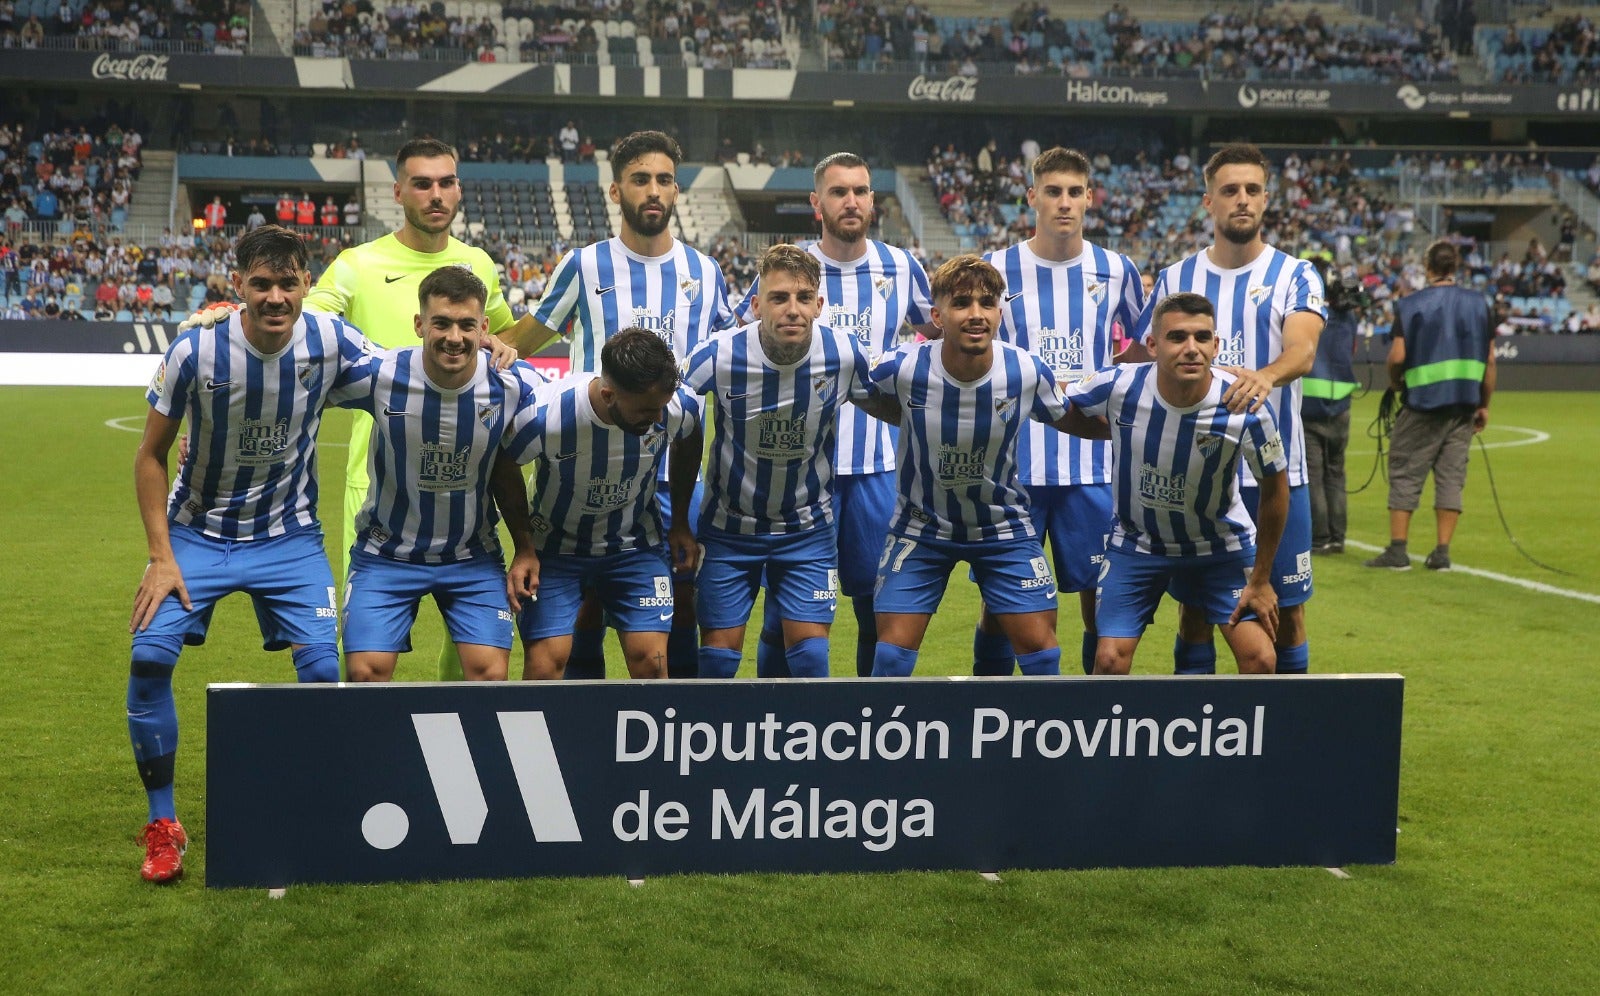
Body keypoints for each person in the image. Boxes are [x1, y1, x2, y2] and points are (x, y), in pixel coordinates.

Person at [181, 138, 535, 680]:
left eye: (446, 182)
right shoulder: (357, 264)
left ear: (459, 188)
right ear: (399, 192)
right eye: (422, 183)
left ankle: (449, 737)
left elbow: (498, 333)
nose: (435, 195)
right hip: (375, 480)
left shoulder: (478, 263)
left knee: (473, 645)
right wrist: (234, 315)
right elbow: (291, 321)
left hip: (467, 465)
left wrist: (504, 346)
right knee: (365, 655)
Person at [126, 225, 375, 883]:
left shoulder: (330, 340)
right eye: (260, 284)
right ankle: (163, 824)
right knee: (149, 659)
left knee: (324, 677)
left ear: (306, 284)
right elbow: (149, 455)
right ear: (237, 284)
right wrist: (160, 555)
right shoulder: (195, 352)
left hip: (289, 539)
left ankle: (307, 808)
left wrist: (495, 351)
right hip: (195, 535)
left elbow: (407, 373)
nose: (274, 297)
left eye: (287, 283)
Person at [511, 130, 733, 680]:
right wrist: (482, 346)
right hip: (589, 457)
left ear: (676, 191)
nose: (652, 191)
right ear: (616, 192)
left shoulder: (704, 273)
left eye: (663, 180)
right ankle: (589, 733)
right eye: (639, 180)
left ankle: (669, 738)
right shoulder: (584, 266)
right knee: (585, 603)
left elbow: (729, 351)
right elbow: (523, 341)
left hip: (673, 462)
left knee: (675, 606)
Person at [736, 152, 935, 679]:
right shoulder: (789, 268)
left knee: (877, 607)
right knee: (783, 616)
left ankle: (866, 730)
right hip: (796, 472)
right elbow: (740, 341)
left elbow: (942, 334)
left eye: (861, 191)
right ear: (816, 203)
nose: (852, 201)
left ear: (873, 200)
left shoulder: (900, 266)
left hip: (875, 469)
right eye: (839, 191)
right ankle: (776, 729)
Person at [1134, 143, 1325, 676]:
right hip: (1196, 479)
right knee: (1194, 613)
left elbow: (1304, 348)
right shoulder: (1176, 278)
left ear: (1266, 199)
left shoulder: (1296, 274)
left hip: (1276, 477)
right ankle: (1200, 744)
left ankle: (1283, 742)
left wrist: (1264, 376)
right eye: (1229, 190)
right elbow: (1142, 357)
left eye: (1253, 190)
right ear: (1208, 203)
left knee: (1286, 613)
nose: (1242, 200)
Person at [862, 255, 1099, 678]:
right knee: (892, 659)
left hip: (1002, 528)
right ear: (937, 316)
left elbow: (1072, 417)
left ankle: (1011, 736)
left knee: (1043, 658)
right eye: (962, 303)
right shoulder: (902, 367)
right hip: (921, 527)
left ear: (1000, 311)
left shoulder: (1025, 370)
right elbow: (850, 387)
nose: (976, 314)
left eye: (987, 303)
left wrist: (1133, 427)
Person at [671, 244, 875, 679]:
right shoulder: (718, 355)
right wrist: (679, 521)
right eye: (780, 298)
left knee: (810, 661)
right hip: (729, 530)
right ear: (757, 304)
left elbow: (902, 404)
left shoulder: (844, 354)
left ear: (820, 305)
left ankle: (797, 746)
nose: (792, 310)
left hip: (807, 531)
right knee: (719, 663)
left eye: (804, 298)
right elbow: (673, 417)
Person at [978, 146, 1145, 676]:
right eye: (1053, 191)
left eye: (1075, 192)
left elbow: (1143, 347)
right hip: (1012, 469)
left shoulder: (1116, 270)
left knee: (1099, 606)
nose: (1064, 203)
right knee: (1002, 606)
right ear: (1032, 198)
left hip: (1093, 469)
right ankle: (992, 723)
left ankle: (1091, 726)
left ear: (1090, 198)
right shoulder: (997, 269)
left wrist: (1103, 385)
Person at [334, 267, 545, 682]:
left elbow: (576, 413)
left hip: (472, 556)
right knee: (365, 673)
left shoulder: (512, 385)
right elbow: (294, 385)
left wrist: (525, 547)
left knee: (489, 675)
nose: (454, 337)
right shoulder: (381, 374)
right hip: (386, 554)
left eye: (467, 325)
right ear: (419, 324)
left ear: (484, 328)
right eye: (441, 323)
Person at [1065, 292, 1287, 674]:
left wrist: (1262, 578)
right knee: (1109, 660)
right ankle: (1109, 733)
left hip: (1221, 546)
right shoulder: (1120, 385)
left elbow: (1275, 489)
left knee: (1261, 659)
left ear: (1217, 345)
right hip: (1138, 544)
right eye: (1177, 337)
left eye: (1202, 338)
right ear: (1152, 344)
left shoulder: (1243, 404)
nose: (1191, 349)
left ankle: (1221, 733)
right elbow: (1054, 397)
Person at [501, 327, 700, 680]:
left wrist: (681, 521)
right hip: (556, 550)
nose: (657, 420)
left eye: (660, 409)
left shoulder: (672, 406)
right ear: (608, 394)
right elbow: (504, 464)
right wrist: (524, 548)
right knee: (546, 665)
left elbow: (689, 436)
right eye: (645, 411)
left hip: (635, 546)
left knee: (651, 662)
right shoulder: (548, 415)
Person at [1365, 241, 1495, 572]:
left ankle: (1398, 550)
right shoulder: (1480, 304)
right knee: (1452, 476)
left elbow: (1397, 356)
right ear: (1456, 266)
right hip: (1463, 406)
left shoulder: (1410, 305)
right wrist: (1484, 405)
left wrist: (1395, 382)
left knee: (1405, 471)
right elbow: (1490, 361)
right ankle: (1442, 552)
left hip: (1422, 404)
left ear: (1428, 267)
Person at [1303, 258, 1361, 555]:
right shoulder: (1347, 315)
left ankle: (1320, 537)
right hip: (1341, 403)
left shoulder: (1305, 312)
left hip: (1309, 403)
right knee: (1336, 471)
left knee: (1313, 473)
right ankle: (1338, 536)